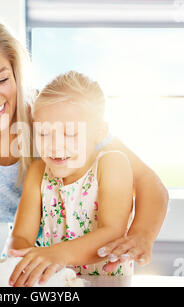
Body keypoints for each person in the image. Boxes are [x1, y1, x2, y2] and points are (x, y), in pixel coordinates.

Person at [0, 13, 169, 287]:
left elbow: (148, 182)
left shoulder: (55, 118)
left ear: (16, 72)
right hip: (41, 272)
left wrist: (141, 234)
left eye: (2, 80)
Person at [8, 71, 138, 287]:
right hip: (55, 285)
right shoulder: (38, 171)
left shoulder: (112, 164)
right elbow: (20, 236)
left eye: (69, 133)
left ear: (99, 132)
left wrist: (57, 255)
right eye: (43, 133)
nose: (55, 145)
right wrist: (21, 256)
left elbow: (111, 233)